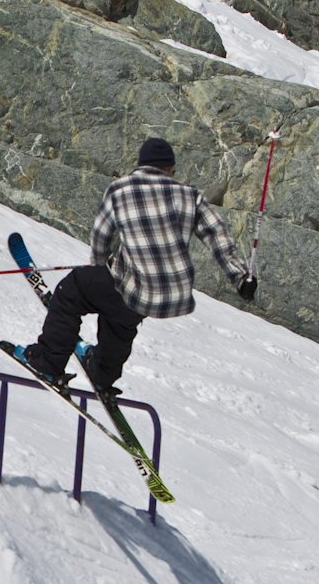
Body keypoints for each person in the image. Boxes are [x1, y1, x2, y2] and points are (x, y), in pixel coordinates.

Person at [23, 136, 257, 394]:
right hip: (168, 298)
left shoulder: (121, 189)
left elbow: (101, 235)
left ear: (141, 165)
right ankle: (102, 373)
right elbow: (218, 238)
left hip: (129, 284)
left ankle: (48, 362)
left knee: (73, 290)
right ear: (169, 170)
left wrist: (99, 266)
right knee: (122, 317)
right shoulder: (191, 197)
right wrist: (240, 278)